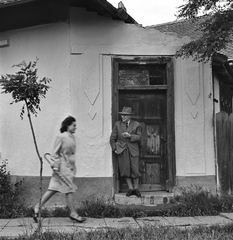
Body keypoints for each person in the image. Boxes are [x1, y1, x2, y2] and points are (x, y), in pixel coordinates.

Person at [33, 116, 86, 223]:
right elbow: (55, 153)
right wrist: (56, 167)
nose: (75, 127)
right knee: (69, 190)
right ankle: (73, 213)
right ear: (68, 125)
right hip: (61, 168)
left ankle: (37, 207)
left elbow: (71, 154)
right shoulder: (61, 137)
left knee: (52, 189)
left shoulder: (72, 137)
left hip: (69, 168)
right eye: (73, 125)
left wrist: (73, 168)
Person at [110, 107, 142, 197]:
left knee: (135, 170)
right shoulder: (117, 124)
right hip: (122, 150)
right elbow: (112, 138)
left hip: (133, 150)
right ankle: (130, 188)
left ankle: (136, 189)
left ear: (129, 116)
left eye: (125, 115)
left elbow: (140, 137)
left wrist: (130, 136)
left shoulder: (136, 124)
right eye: (122, 115)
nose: (122, 116)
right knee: (125, 169)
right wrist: (114, 148)